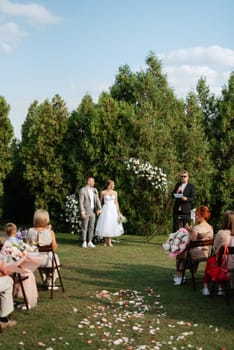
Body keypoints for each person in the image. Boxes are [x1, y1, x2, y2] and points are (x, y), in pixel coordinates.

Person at [1, 223, 41, 309]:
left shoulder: (7, 242)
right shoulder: (18, 241)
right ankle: (25, 301)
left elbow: (3, 257)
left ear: (6, 232)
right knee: (26, 274)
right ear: (15, 231)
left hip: (11, 267)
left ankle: (17, 300)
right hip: (17, 267)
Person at [174, 205, 214, 285]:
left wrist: (188, 232)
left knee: (179, 253)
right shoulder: (210, 227)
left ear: (200, 215)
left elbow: (191, 242)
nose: (195, 217)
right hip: (205, 253)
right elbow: (201, 237)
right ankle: (185, 274)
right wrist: (191, 230)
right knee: (183, 252)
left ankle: (180, 276)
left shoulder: (197, 228)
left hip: (194, 254)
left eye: (196, 215)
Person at [26, 209, 60, 290]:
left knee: (44, 260)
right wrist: (49, 232)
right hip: (46, 260)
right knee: (54, 259)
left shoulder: (30, 231)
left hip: (33, 259)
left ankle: (46, 280)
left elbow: (27, 245)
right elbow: (54, 248)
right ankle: (50, 281)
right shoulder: (50, 232)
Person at [202, 210, 234, 296]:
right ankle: (220, 287)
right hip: (231, 263)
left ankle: (206, 286)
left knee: (211, 261)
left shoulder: (221, 233)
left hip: (224, 264)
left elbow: (215, 249)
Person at [95, 179, 124, 247]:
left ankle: (109, 242)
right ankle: (105, 242)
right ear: (109, 185)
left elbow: (116, 202)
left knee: (111, 224)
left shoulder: (115, 192)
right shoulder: (103, 192)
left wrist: (118, 211)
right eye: (112, 184)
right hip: (106, 209)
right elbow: (100, 201)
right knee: (105, 224)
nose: (113, 185)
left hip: (113, 210)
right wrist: (99, 209)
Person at [79, 176, 102, 248]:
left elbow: (97, 200)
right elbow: (81, 202)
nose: (94, 183)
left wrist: (100, 208)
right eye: (92, 181)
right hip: (86, 211)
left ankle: (90, 241)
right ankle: (84, 241)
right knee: (84, 227)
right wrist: (82, 212)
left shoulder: (95, 190)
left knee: (91, 227)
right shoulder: (83, 190)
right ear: (88, 182)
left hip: (93, 211)